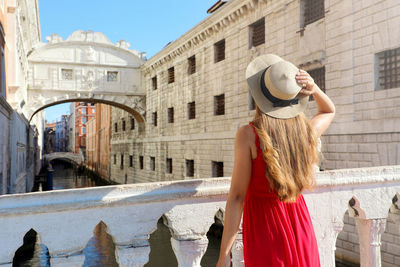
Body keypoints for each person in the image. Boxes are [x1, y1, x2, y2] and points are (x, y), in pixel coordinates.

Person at [216, 54, 335, 267]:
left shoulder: (248, 135)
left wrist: (224, 254)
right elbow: (329, 110)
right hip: (300, 226)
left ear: (259, 97)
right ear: (295, 98)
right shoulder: (304, 131)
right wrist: (313, 88)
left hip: (266, 232)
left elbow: (236, 197)